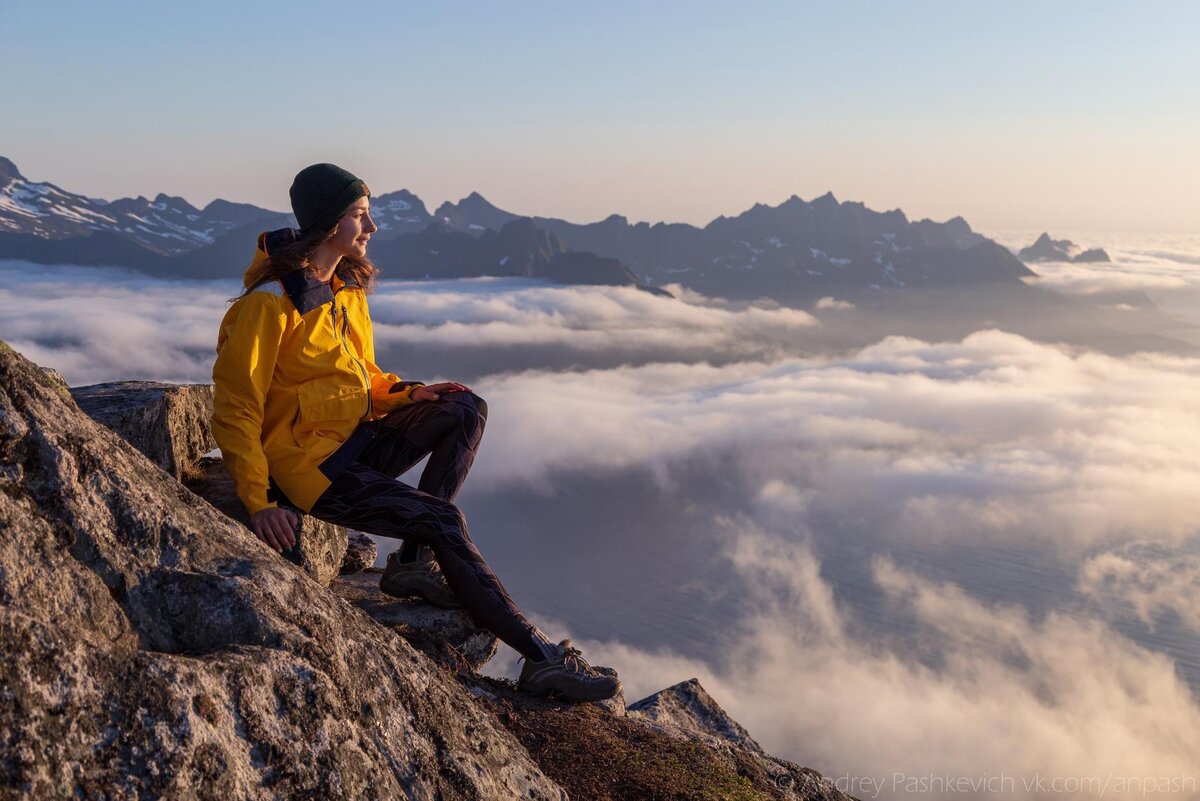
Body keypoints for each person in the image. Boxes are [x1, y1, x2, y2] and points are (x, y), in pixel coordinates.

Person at [211, 162, 620, 702]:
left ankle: (411, 564)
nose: (371, 227)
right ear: (330, 222)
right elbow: (235, 409)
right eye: (360, 215)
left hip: (354, 441)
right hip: (307, 470)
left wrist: (410, 394)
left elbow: (359, 376)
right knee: (444, 520)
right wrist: (260, 501)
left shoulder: (342, 288)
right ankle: (542, 657)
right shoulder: (267, 306)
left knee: (464, 407)